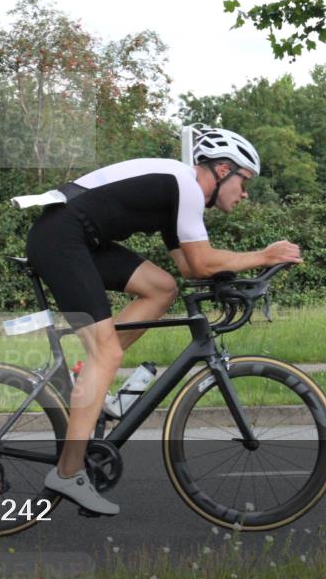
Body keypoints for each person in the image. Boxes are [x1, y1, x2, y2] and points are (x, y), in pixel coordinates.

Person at [18, 126, 303, 515]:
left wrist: (235, 280)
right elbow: (203, 261)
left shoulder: (180, 196)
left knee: (162, 287)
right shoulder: (183, 184)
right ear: (222, 170)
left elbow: (188, 269)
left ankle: (93, 378)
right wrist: (263, 255)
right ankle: (68, 473)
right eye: (245, 181)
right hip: (61, 238)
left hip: (77, 238)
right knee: (107, 355)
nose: (245, 193)